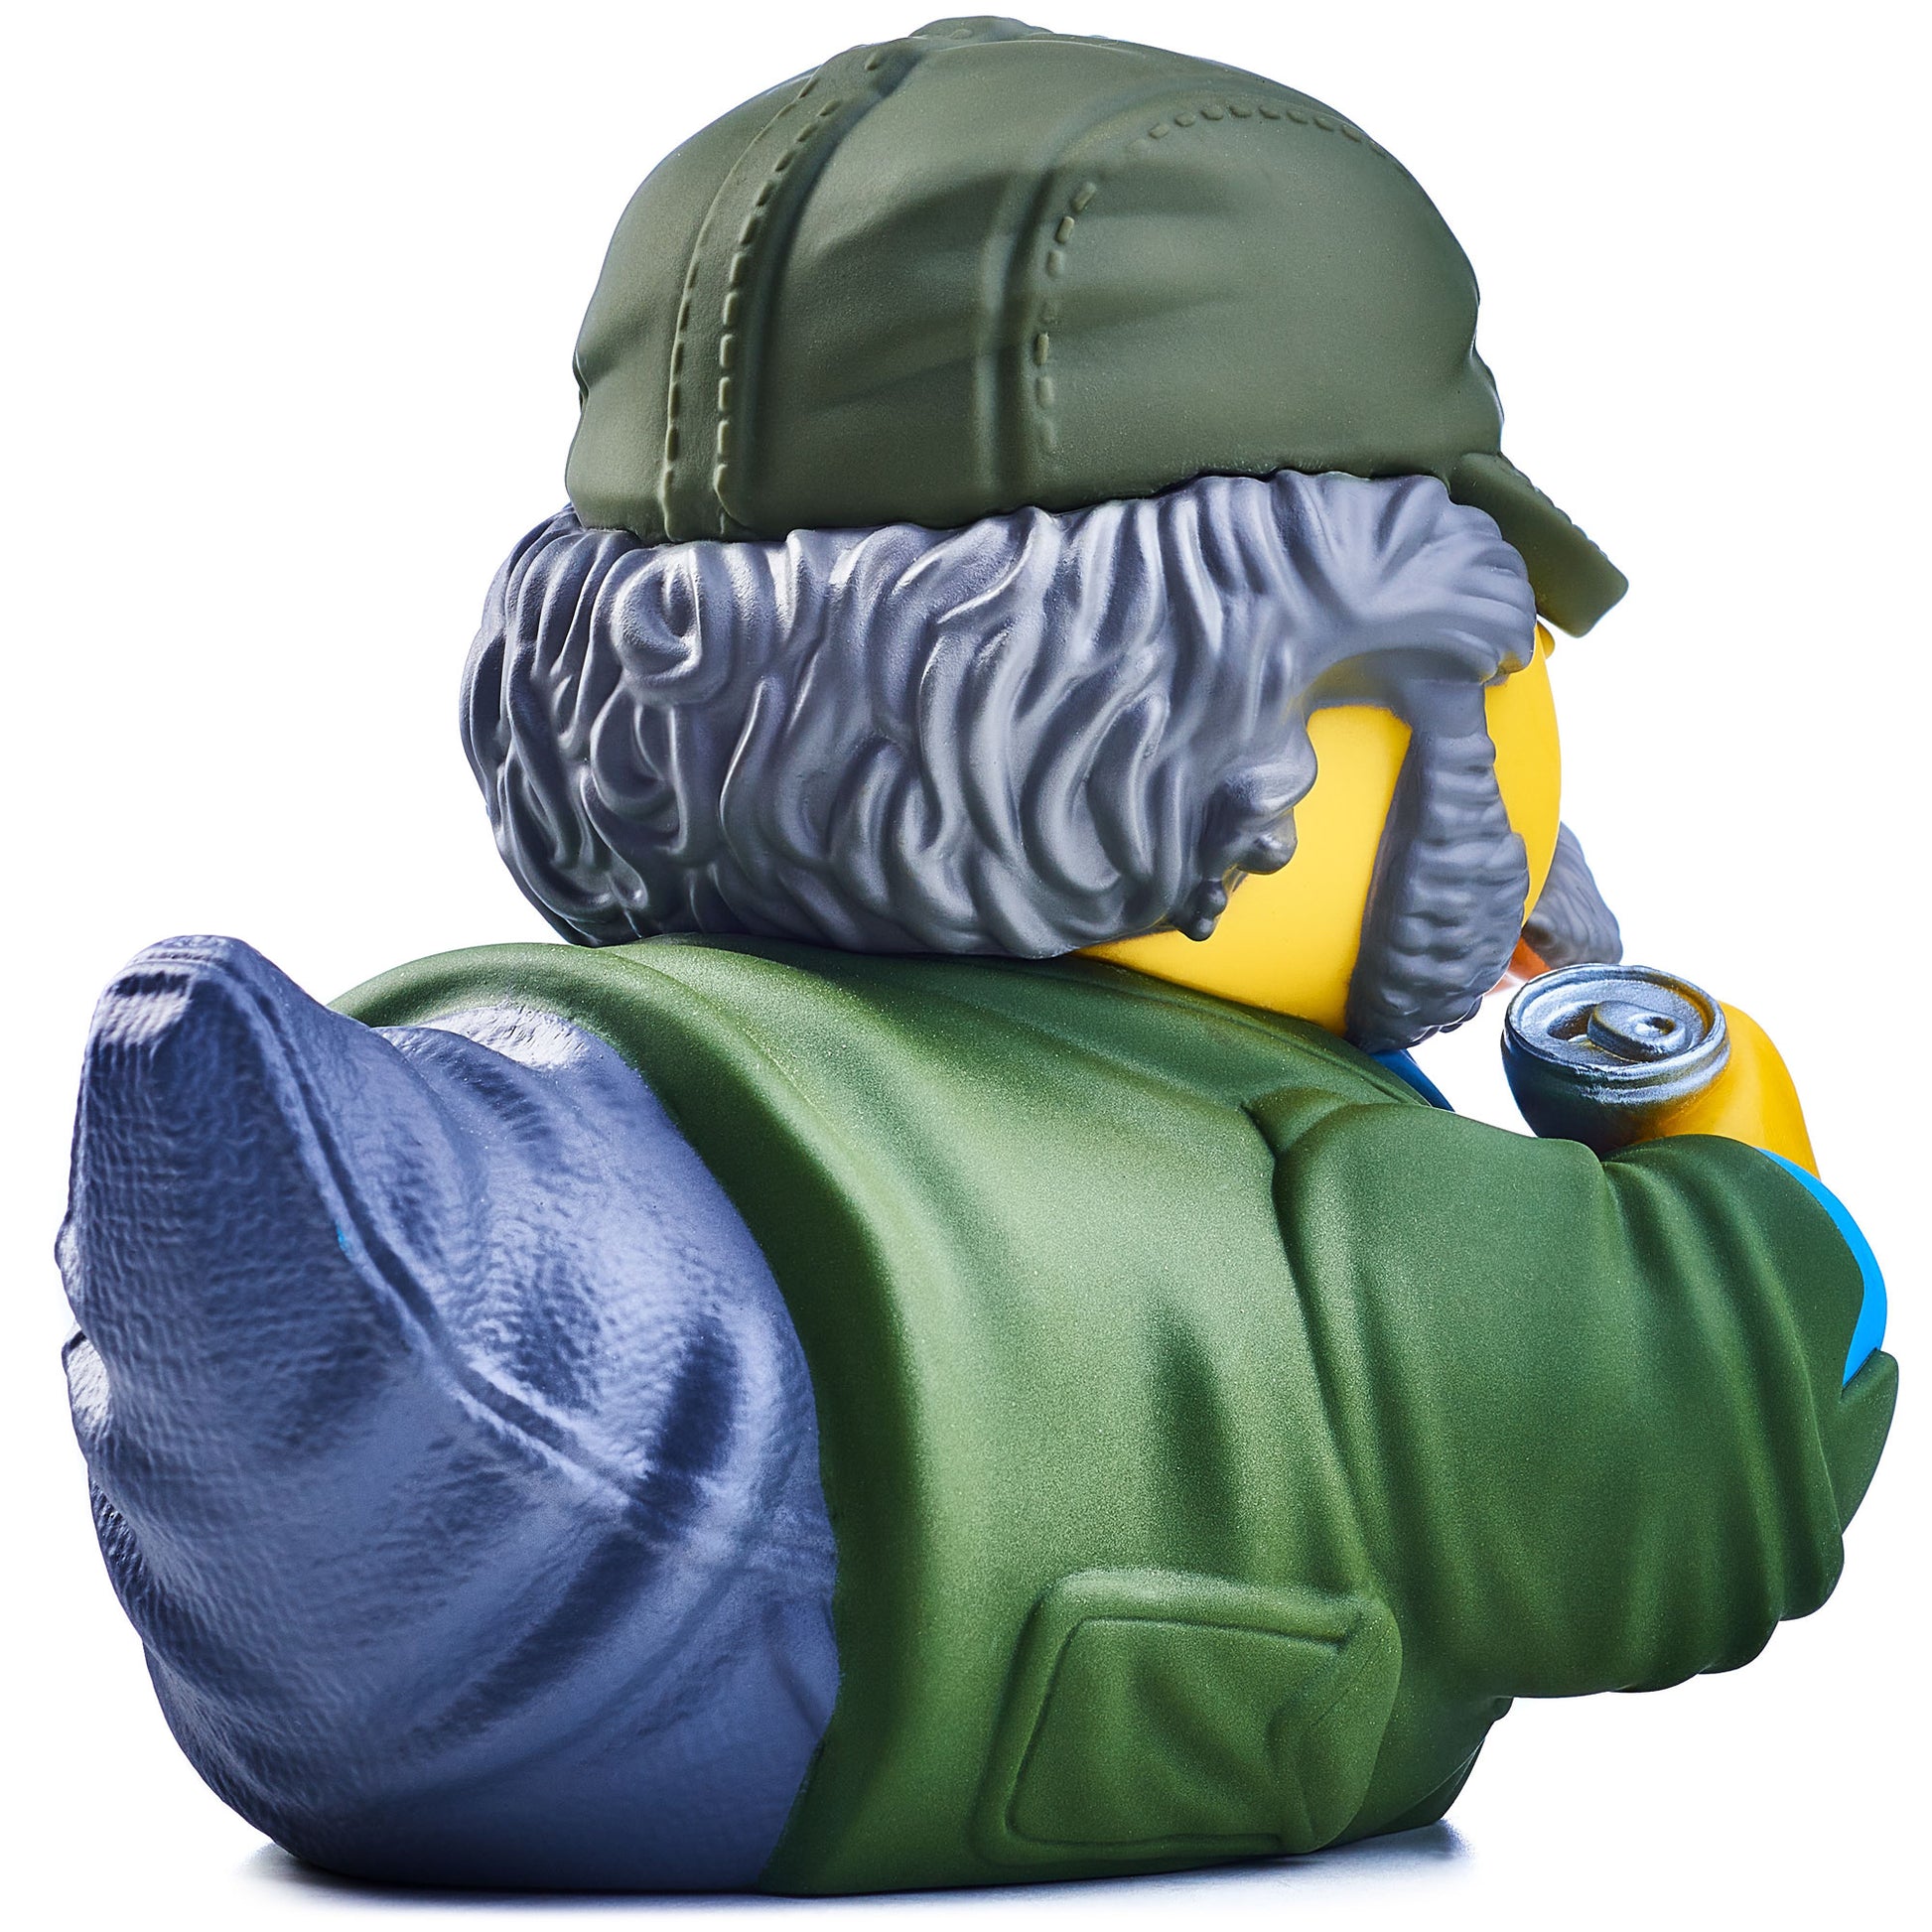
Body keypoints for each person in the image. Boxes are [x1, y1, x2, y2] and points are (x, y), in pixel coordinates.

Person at [59, 16, 1894, 1897]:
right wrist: (1730, 1154)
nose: (1530, 716)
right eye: (1496, 653)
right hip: (823, 1687)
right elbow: (1740, 1415)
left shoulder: (590, 1012)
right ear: (1287, 708)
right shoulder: (1365, 1213)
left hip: (335, 1689)